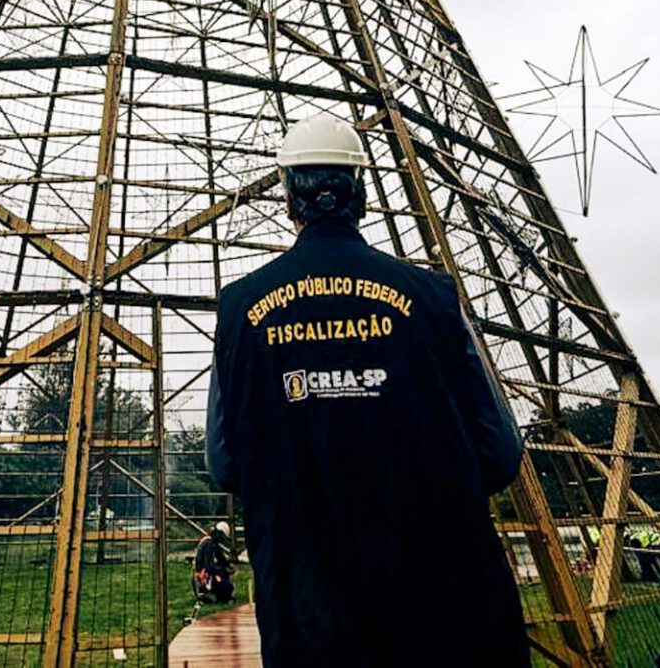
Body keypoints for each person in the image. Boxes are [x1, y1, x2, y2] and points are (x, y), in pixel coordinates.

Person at [207, 114, 530, 666]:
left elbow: (225, 465)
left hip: (311, 617)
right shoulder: (433, 297)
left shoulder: (240, 309)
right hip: (447, 613)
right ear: (362, 192)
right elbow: (499, 453)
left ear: (289, 197)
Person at [191, 520, 236, 604]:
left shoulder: (212, 542)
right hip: (203, 577)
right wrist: (219, 572)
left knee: (223, 573)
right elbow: (208, 565)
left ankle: (218, 594)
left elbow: (220, 558)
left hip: (205, 574)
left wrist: (228, 566)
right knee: (227, 586)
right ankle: (212, 594)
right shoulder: (209, 543)